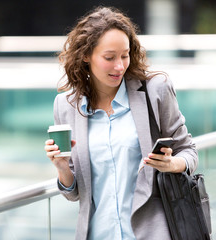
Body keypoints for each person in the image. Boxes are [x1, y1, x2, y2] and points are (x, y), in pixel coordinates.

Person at [44, 6, 198, 240]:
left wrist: (172, 164)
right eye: (109, 57)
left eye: (125, 55)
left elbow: (189, 152)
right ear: (86, 56)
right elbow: (74, 193)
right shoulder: (66, 106)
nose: (119, 66)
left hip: (153, 233)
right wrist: (62, 167)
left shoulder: (155, 91)